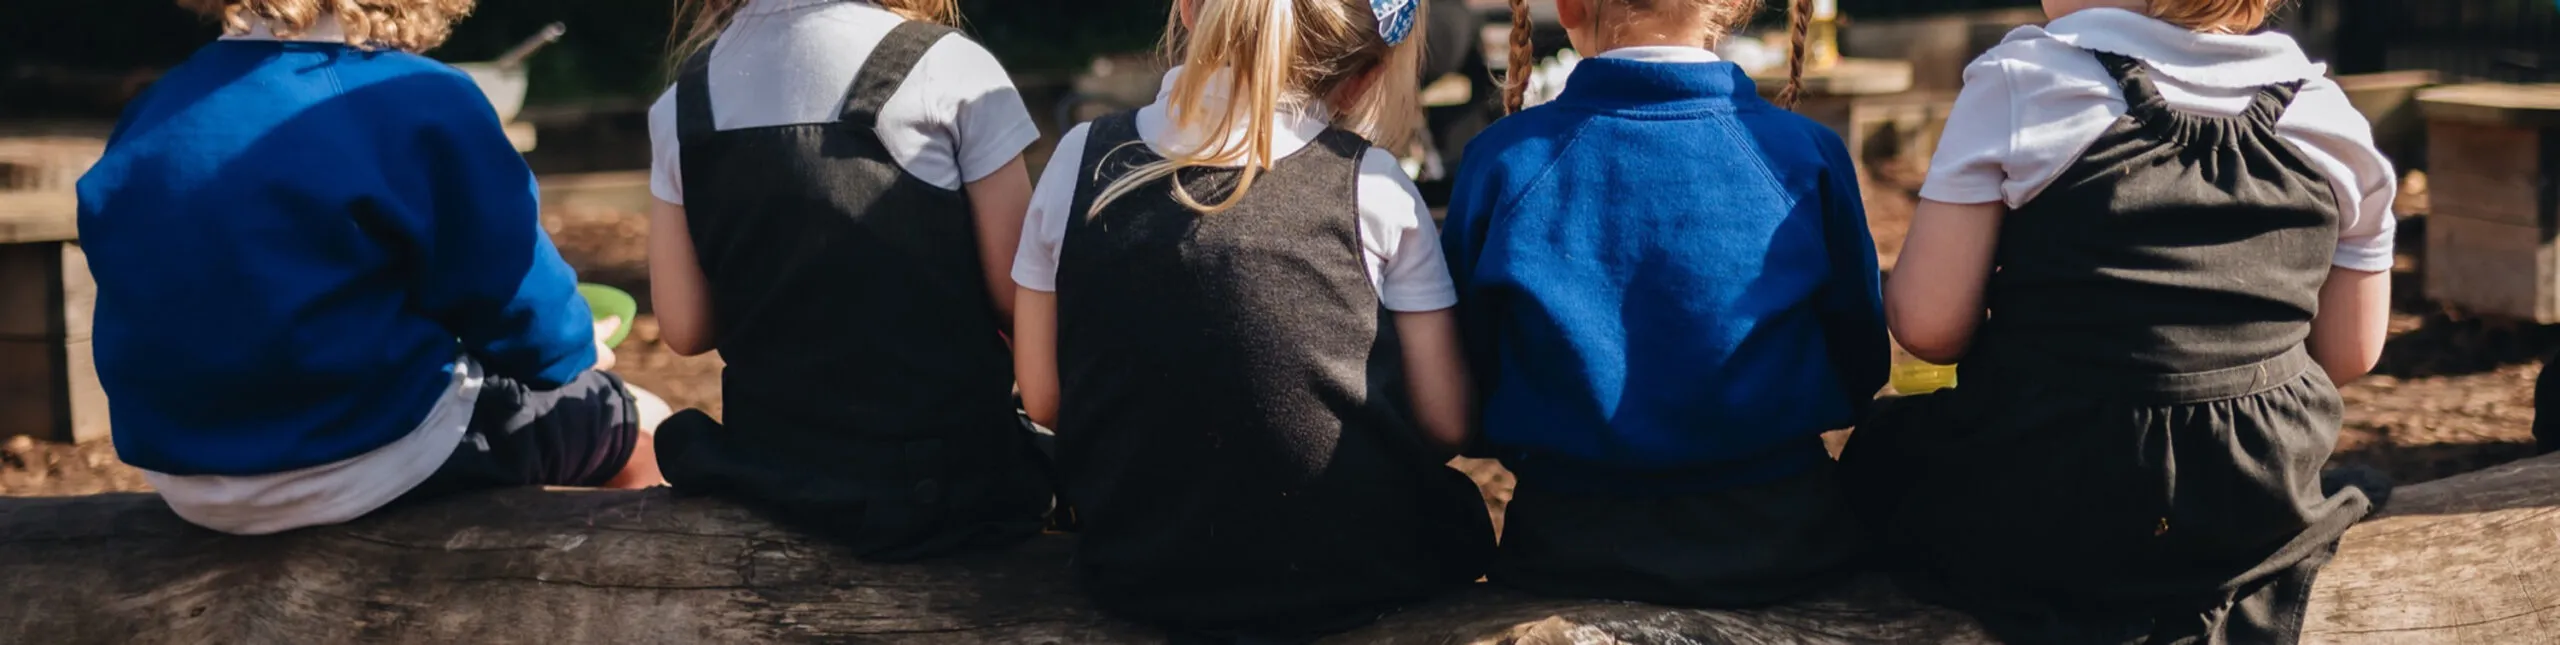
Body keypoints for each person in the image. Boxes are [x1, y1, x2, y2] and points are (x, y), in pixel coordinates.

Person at [1841, 1, 2398, 643]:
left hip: (2053, 484)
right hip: (2250, 501)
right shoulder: (2330, 116)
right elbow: (2351, 351)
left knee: (1883, 455)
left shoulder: (2022, 79)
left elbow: (1929, 327)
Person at [75, 0, 663, 536]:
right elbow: (521, 305)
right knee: (636, 424)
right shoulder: (416, 97)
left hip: (183, 468)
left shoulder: (158, 107)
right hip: (360, 452)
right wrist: (577, 347)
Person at [1010, 0, 1496, 640]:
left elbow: (1044, 399)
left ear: (1187, 11)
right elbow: (1445, 422)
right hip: (1352, 571)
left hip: (1138, 569)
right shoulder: (1370, 183)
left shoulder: (1079, 159)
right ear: (1365, 77)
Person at [1442, 0, 1881, 608]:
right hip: (1782, 543)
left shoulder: (1503, 158)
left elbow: (1468, 363)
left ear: (1566, 6)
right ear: (1734, 7)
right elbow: (1862, 359)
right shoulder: (1806, 152)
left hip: (1566, 548)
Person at [642, 0, 1053, 561]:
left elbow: (685, 327)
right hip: (943, 492)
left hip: (772, 481)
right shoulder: (949, 68)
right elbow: (1018, 298)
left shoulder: (682, 105)